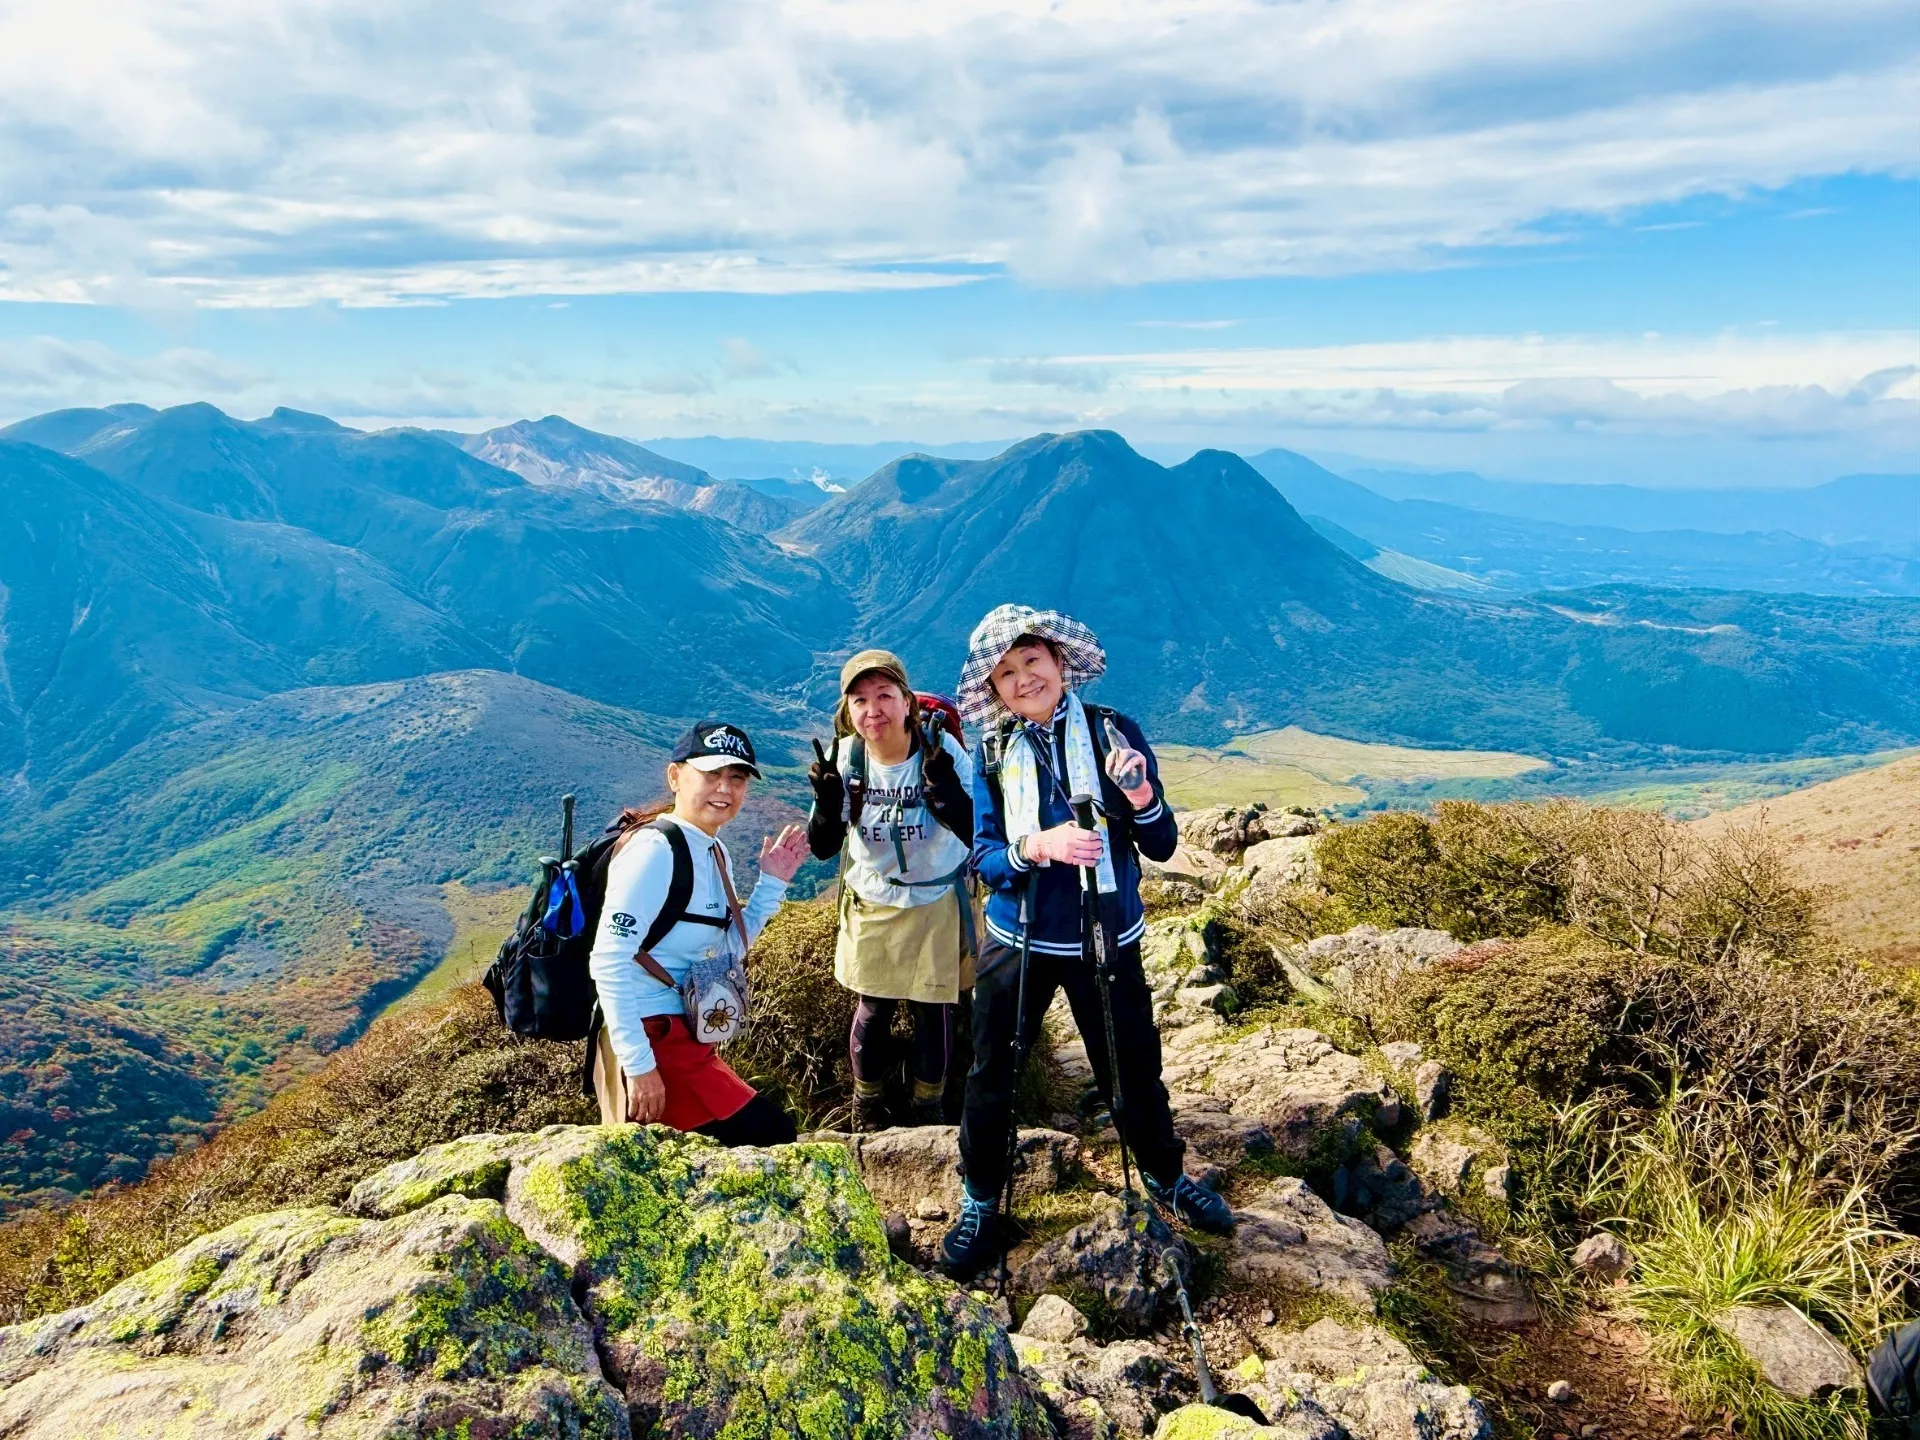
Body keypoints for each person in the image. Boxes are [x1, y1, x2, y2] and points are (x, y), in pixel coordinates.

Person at [940, 604, 1235, 1276]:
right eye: (1006, 673)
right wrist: (1035, 847)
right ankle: (979, 1199)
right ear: (995, 692)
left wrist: (1138, 794)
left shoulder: (1111, 734)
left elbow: (1160, 843)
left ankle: (1164, 1175)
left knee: (1132, 1066)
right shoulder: (993, 755)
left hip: (1106, 934)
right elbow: (984, 858)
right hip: (1017, 939)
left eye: (1031, 662)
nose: (1022, 680)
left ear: (1058, 663)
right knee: (991, 1074)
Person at [588, 720, 810, 1147]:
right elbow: (608, 959)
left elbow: (723, 956)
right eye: (711, 774)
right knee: (769, 1134)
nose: (724, 788)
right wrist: (639, 1067)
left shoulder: (712, 847)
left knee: (752, 1141)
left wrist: (772, 885)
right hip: (651, 1036)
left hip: (683, 1037)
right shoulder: (654, 850)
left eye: (737, 777)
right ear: (675, 776)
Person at [807, 649, 977, 1130]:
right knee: (873, 1007)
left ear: (907, 703)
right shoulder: (844, 758)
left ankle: (929, 1105)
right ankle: (868, 1103)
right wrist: (825, 803)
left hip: (935, 897)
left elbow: (980, 831)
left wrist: (944, 790)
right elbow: (823, 846)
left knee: (933, 1009)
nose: (872, 709)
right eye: (859, 700)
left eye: (884, 695)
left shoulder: (942, 752)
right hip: (874, 895)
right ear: (847, 711)